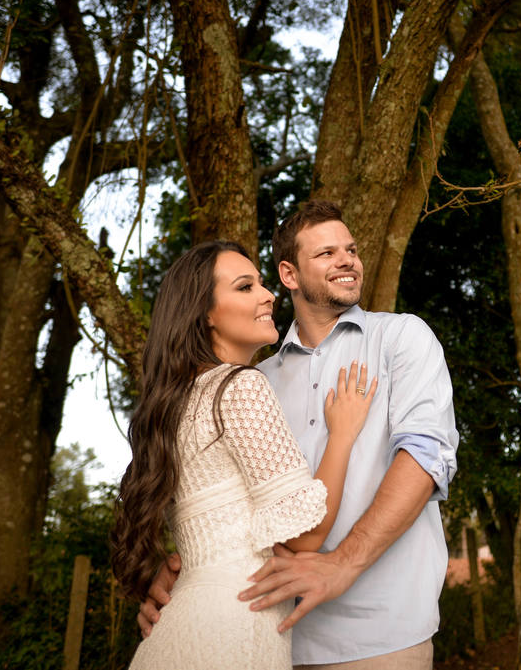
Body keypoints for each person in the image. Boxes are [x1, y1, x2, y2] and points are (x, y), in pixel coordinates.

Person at [140, 201, 459, 669]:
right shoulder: (253, 378)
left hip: (382, 633)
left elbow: (427, 458)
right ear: (289, 275)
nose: (347, 259)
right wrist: (190, 572)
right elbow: (235, 505)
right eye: (326, 253)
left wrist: (342, 564)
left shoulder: (401, 339)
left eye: (350, 249)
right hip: (271, 634)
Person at [110, 240, 377, 670]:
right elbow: (305, 537)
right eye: (244, 286)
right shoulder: (240, 387)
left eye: (260, 282)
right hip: (235, 628)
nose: (267, 294)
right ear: (205, 315)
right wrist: (342, 435)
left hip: (175, 631)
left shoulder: (175, 406)